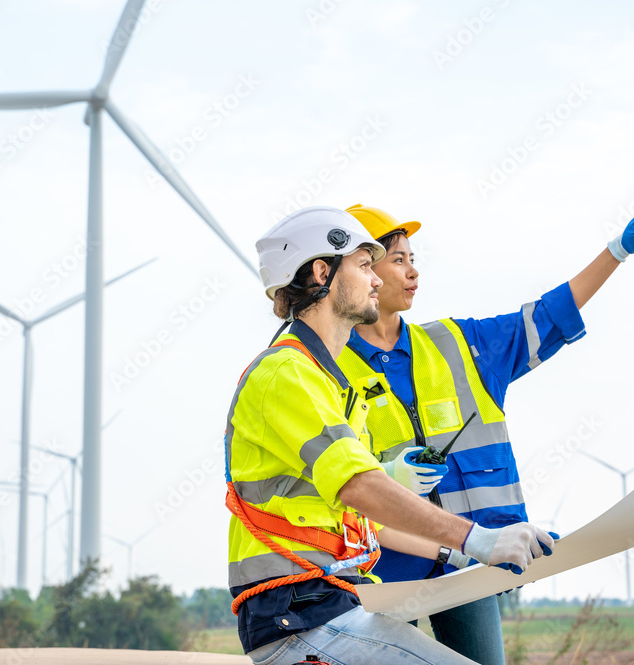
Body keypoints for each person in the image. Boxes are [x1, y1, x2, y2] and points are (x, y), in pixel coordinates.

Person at [335, 188, 634, 664]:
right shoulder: (327, 371)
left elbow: (545, 318)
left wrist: (616, 252)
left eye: (413, 259)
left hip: (472, 564)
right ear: (362, 269)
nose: (412, 271)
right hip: (384, 575)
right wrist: (388, 475)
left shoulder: (460, 344)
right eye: (397, 260)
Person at [225, 205, 556, 665]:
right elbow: (360, 485)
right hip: (300, 617)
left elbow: (366, 520)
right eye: (364, 265)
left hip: (336, 604)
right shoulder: (287, 372)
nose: (377, 279)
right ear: (322, 272)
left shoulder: (330, 382)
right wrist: (477, 538)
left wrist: (459, 554)